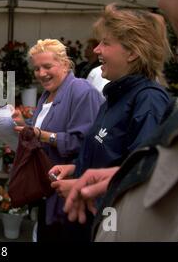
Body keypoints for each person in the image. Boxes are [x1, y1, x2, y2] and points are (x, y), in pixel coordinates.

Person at [64, 0, 178, 241]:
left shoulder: (148, 100)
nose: (96, 50)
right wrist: (77, 172)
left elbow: (144, 184)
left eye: (106, 43)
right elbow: (119, 165)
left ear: (132, 53)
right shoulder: (114, 95)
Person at [12, 39, 104, 242]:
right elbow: (46, 130)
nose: (41, 73)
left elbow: (86, 143)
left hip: (71, 199)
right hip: (48, 192)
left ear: (64, 63)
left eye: (47, 66)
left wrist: (40, 135)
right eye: (36, 68)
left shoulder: (81, 91)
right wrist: (24, 123)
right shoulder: (46, 95)